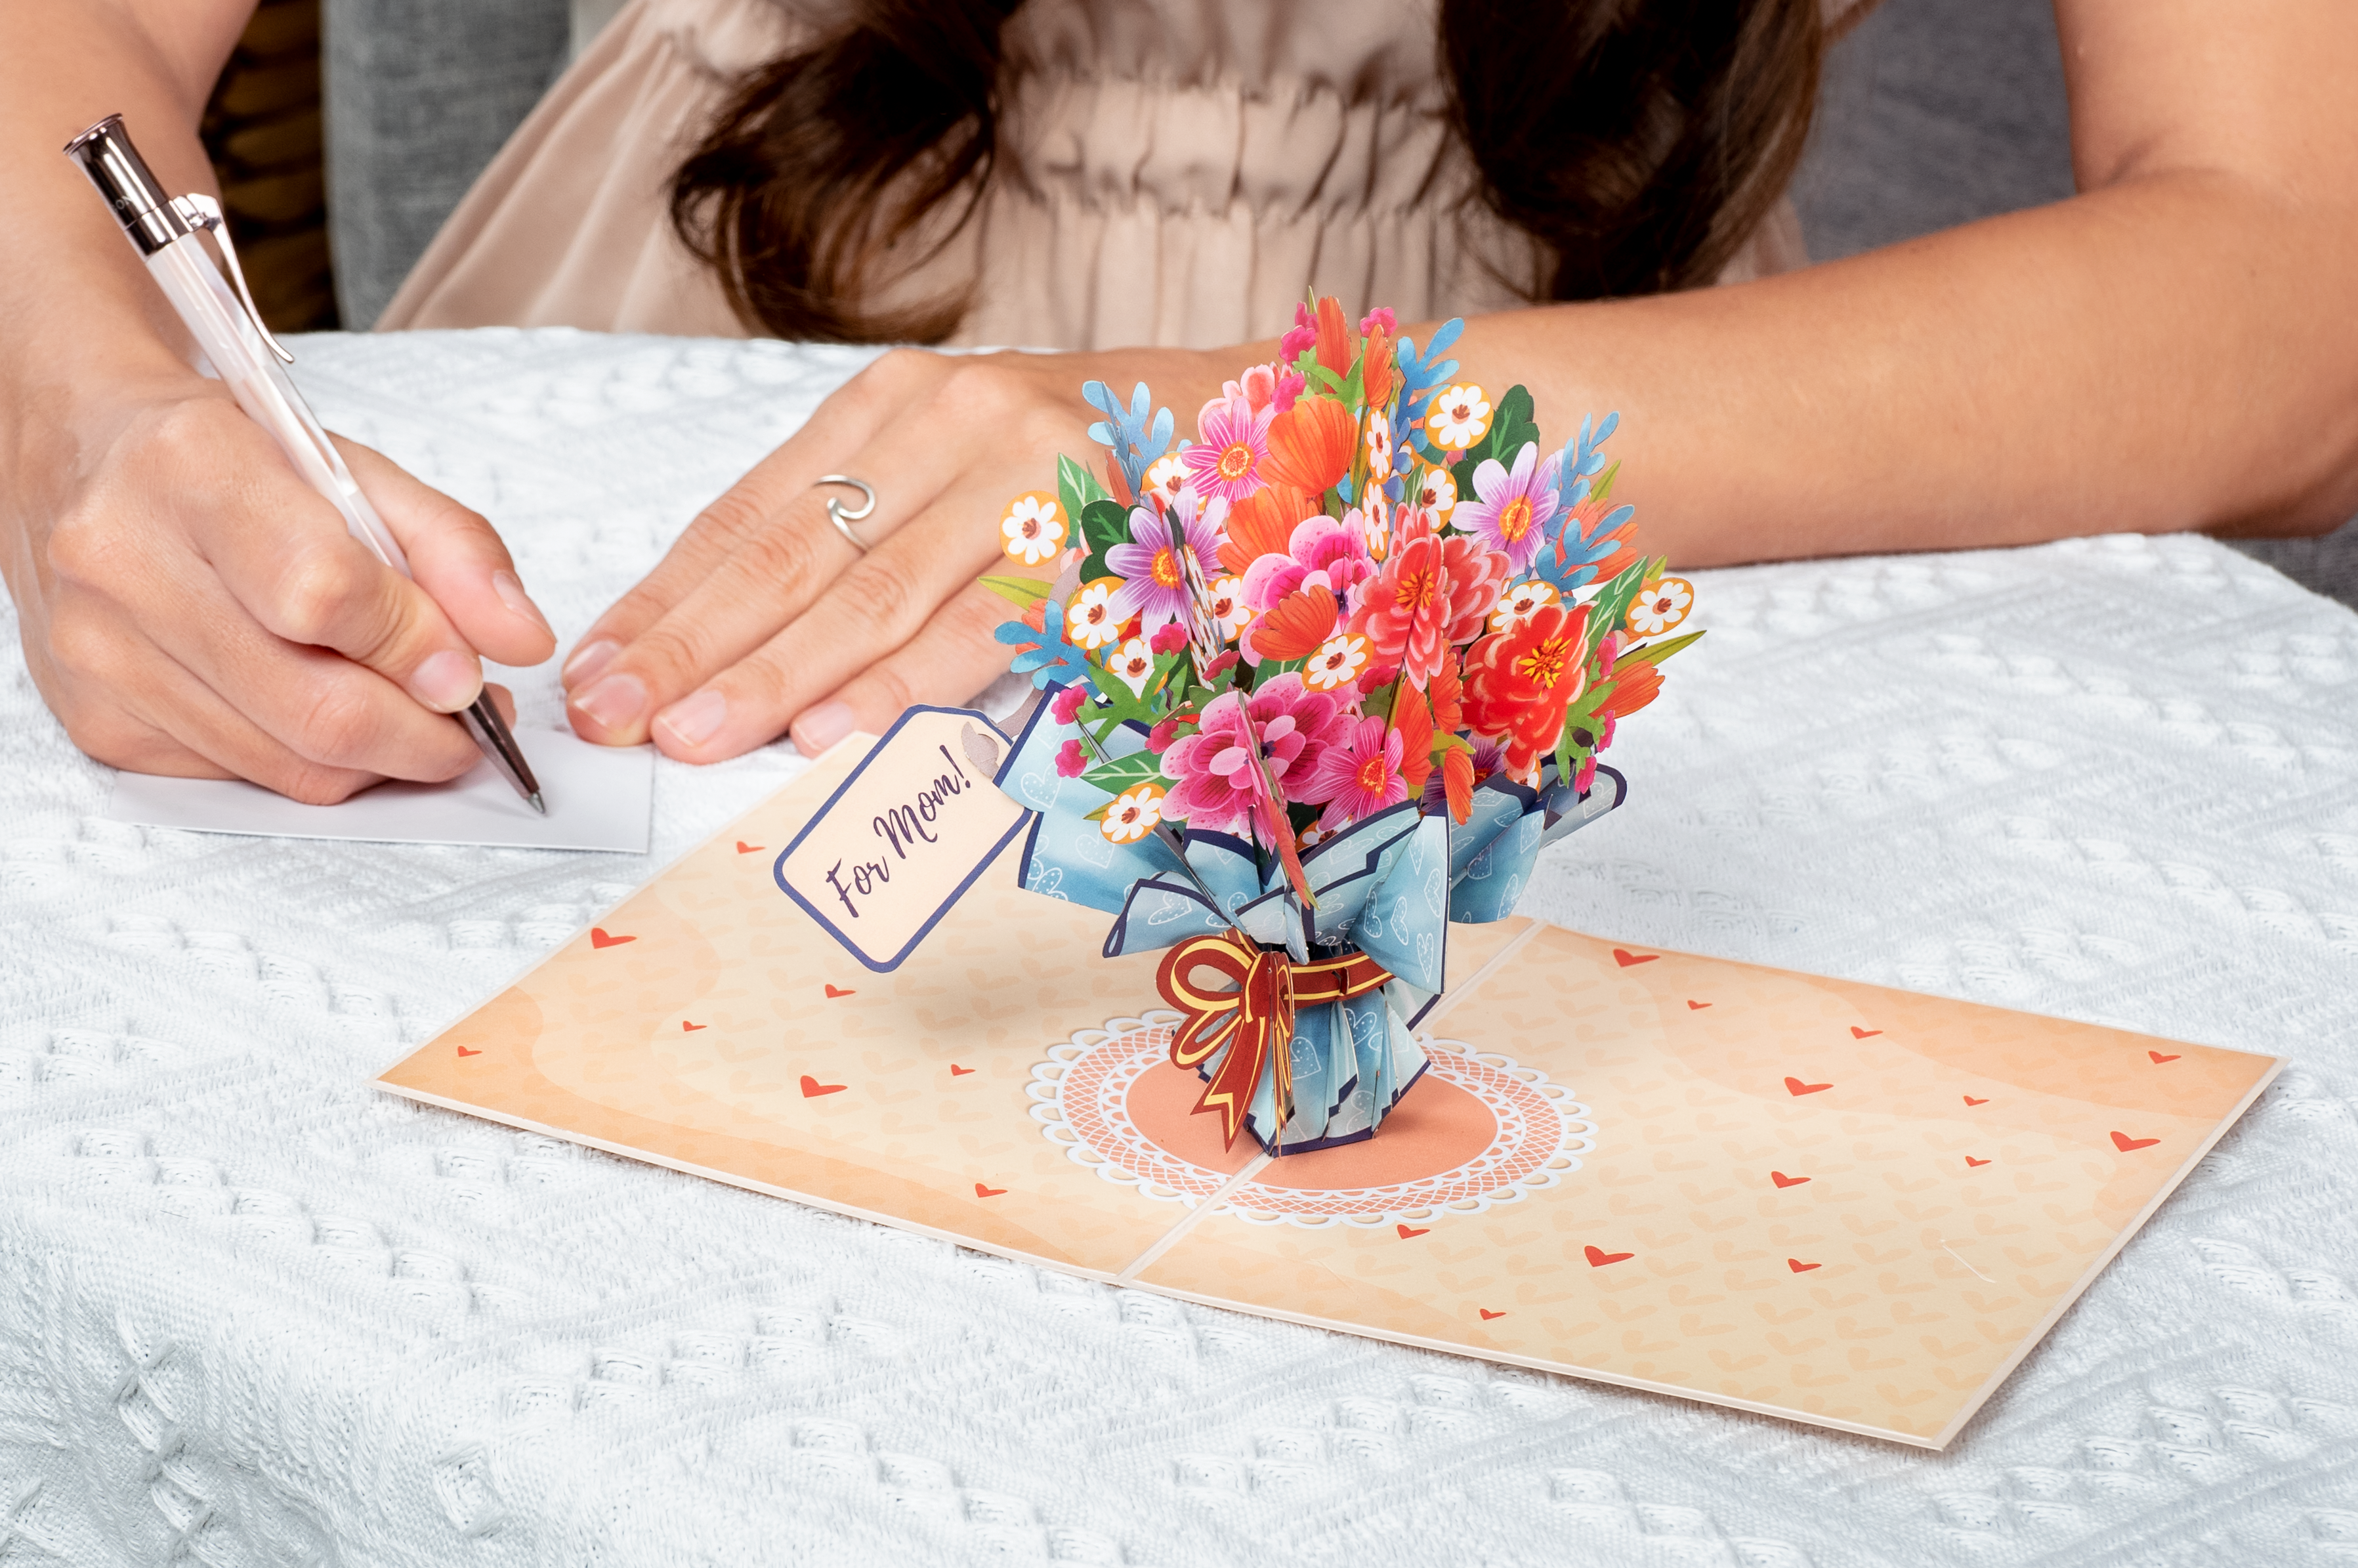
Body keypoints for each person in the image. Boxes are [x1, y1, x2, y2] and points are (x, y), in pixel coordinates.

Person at [3, 0, 2354, 802]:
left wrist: (1291, 443)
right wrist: (94, 406)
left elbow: (2295, 284)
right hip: (721, 382)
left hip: (1571, 467)